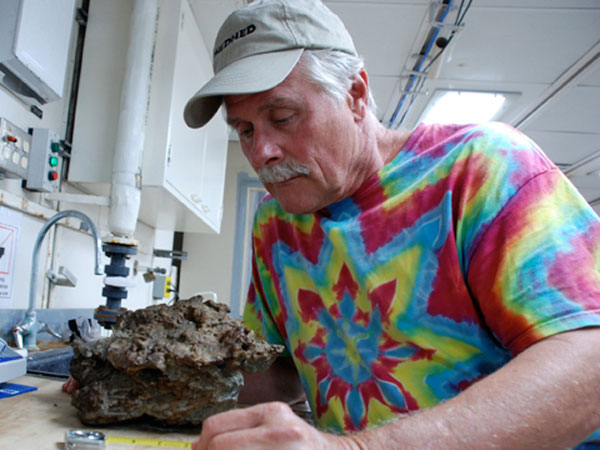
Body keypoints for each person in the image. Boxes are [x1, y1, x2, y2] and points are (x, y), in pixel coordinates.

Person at [184, 0, 600, 448]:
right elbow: (272, 374)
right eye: (244, 130)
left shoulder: (481, 170)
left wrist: (357, 448)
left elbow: (589, 362)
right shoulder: (276, 221)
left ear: (356, 94)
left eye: (282, 118)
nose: (262, 150)